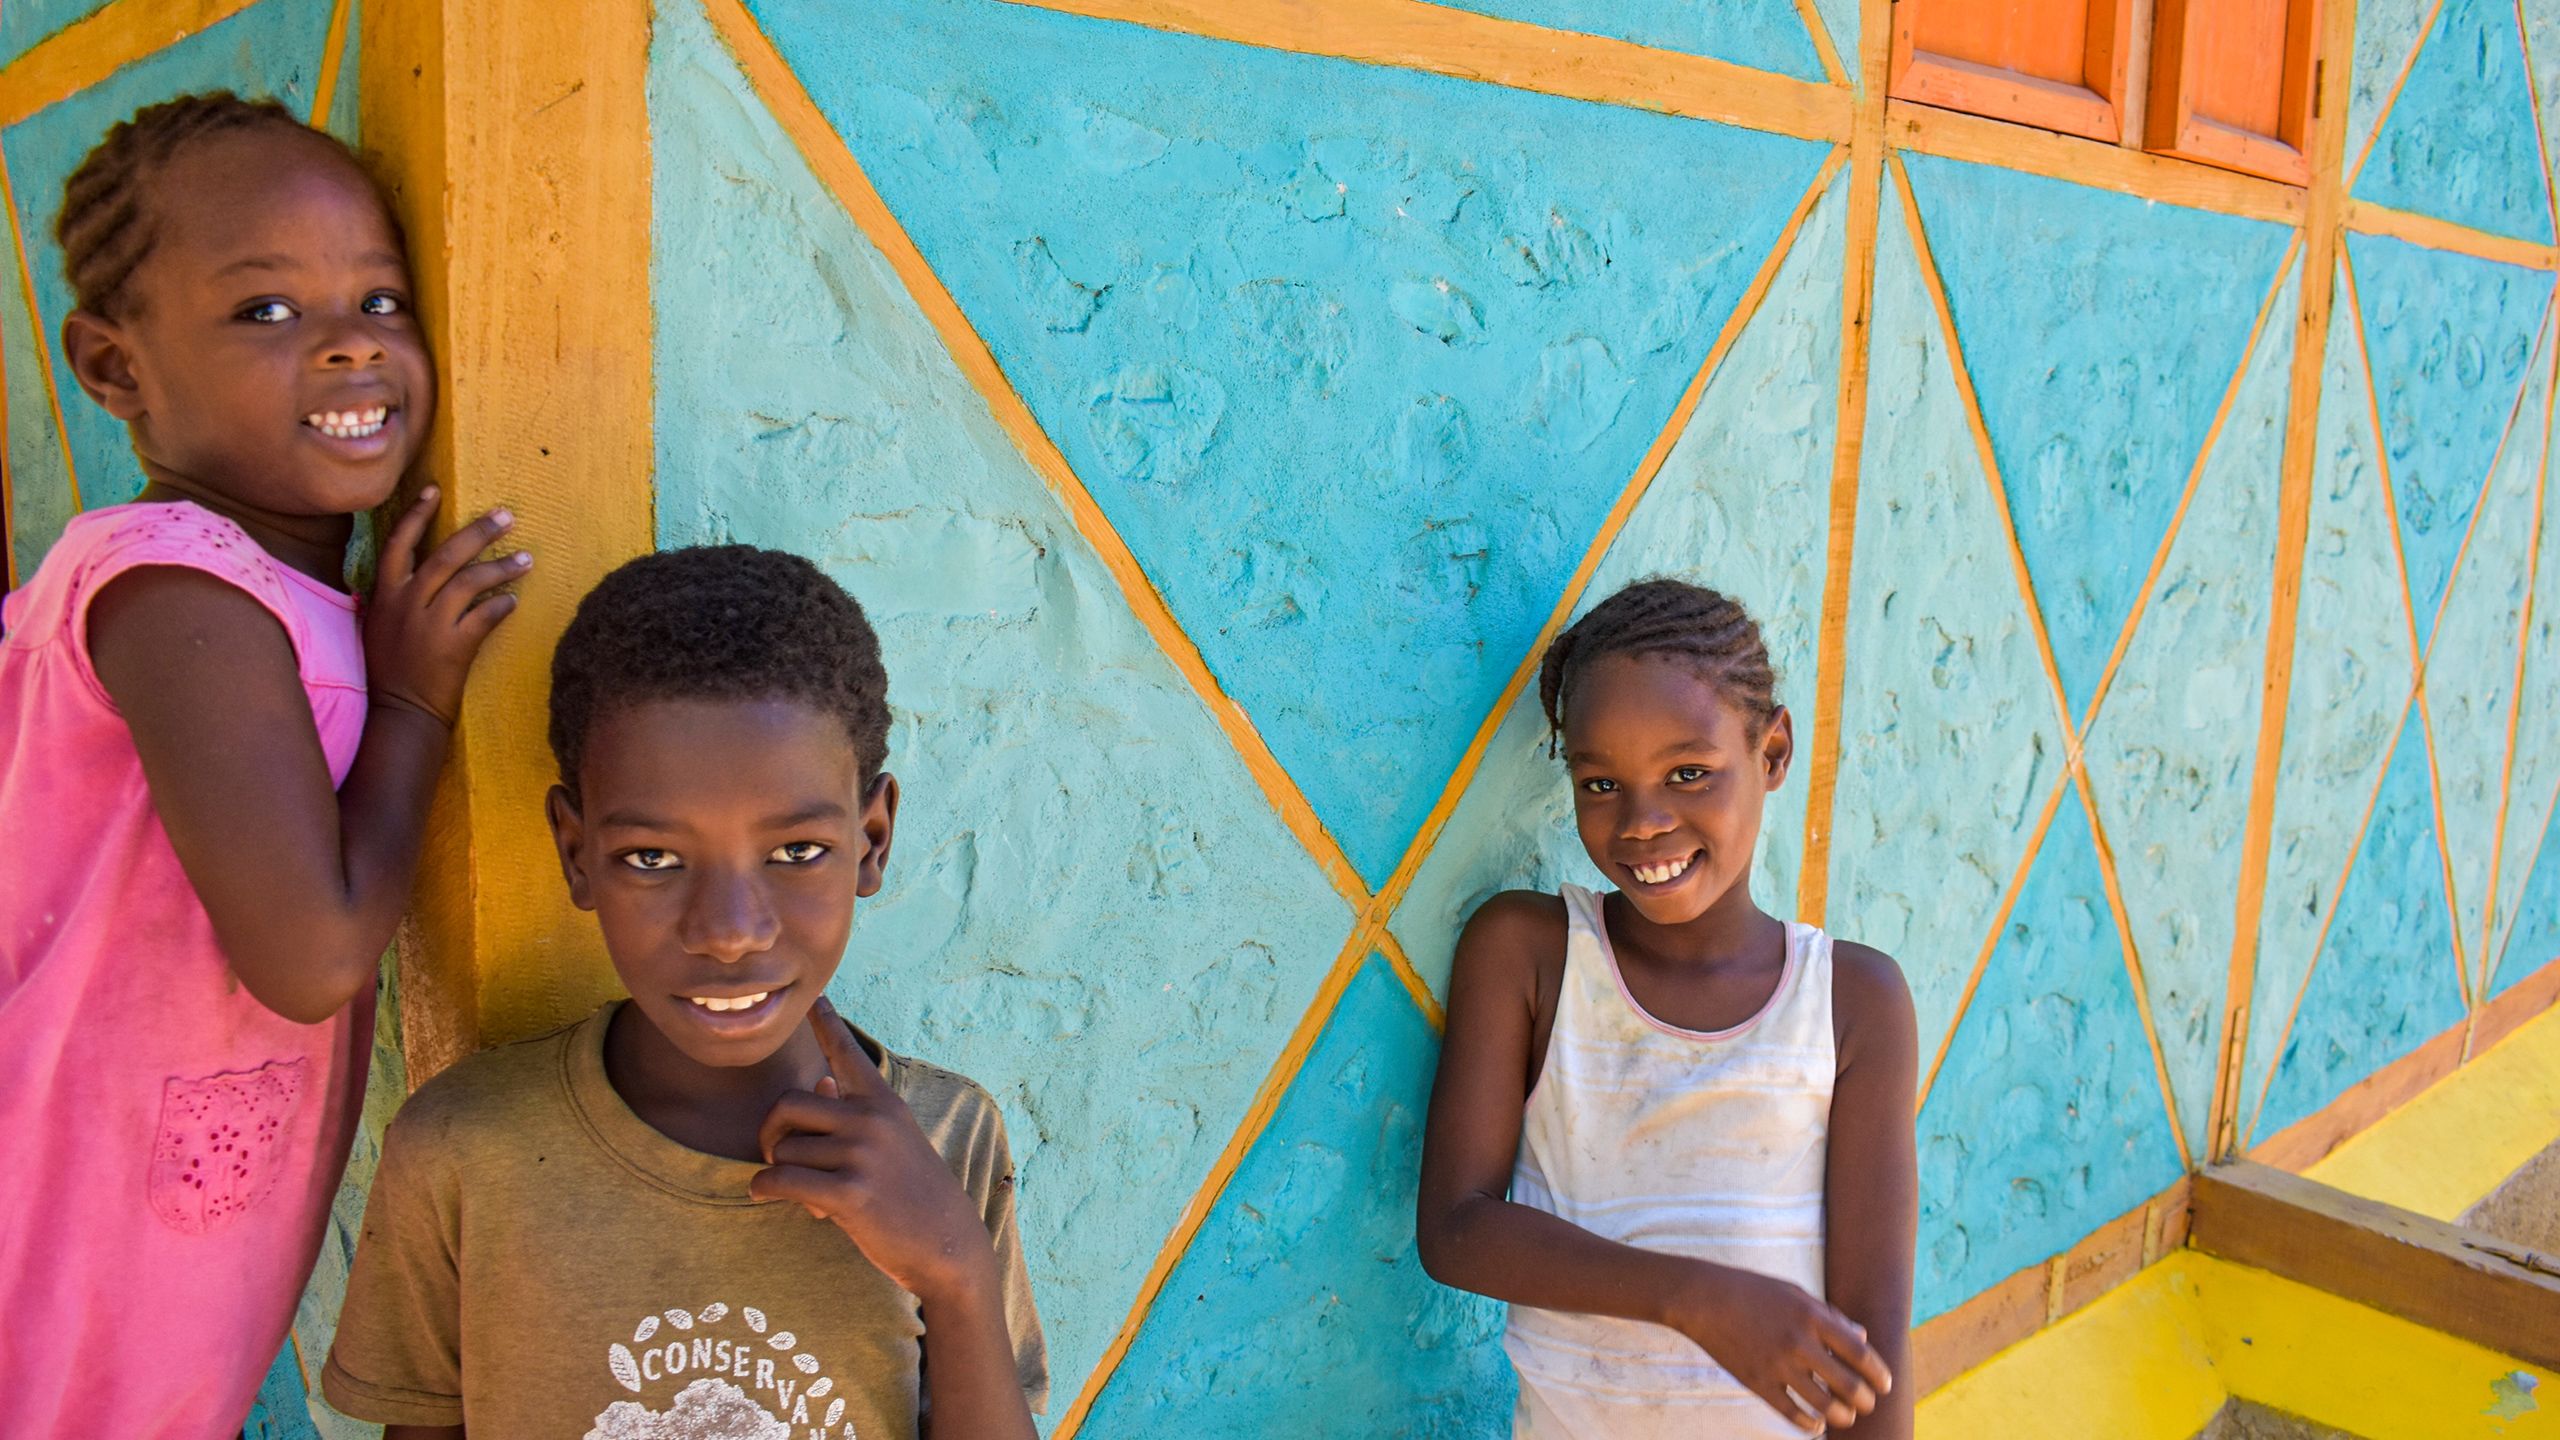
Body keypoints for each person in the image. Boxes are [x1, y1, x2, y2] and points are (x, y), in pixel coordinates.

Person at [0, 93, 525, 1438]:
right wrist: (412, 700)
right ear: (114, 370)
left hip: (171, 1194)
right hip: (67, 1196)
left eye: (381, 299)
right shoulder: (177, 590)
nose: (351, 342)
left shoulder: (275, 596)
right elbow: (310, 956)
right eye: (266, 313)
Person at [322, 545, 1046, 1439]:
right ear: (575, 853)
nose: (730, 929)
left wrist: (955, 1275)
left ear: (873, 837)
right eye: (653, 859)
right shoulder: (463, 1151)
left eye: (795, 852)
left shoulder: (947, 1138)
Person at [1416, 578, 1919, 1438]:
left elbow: (1871, 1354)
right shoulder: (1530, 957)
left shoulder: (1852, 1002)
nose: (1643, 823)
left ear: (1772, 753)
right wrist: (1696, 1300)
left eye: (1689, 773)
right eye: (1600, 783)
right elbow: (1458, 1229)